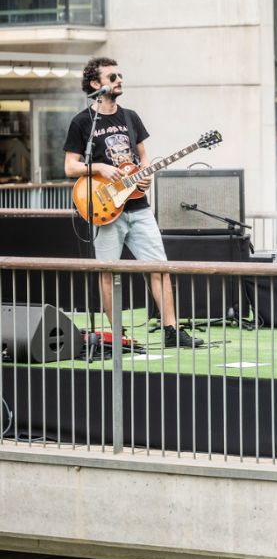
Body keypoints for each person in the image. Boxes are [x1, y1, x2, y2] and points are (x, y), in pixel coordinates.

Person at [63, 57, 203, 348]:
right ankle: (118, 335)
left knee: (159, 267)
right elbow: (70, 167)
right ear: (95, 84)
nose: (119, 80)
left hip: (139, 208)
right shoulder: (82, 123)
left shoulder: (131, 117)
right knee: (108, 272)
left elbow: (144, 157)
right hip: (106, 210)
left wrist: (145, 175)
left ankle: (172, 331)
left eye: (120, 76)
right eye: (112, 77)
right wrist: (100, 169)